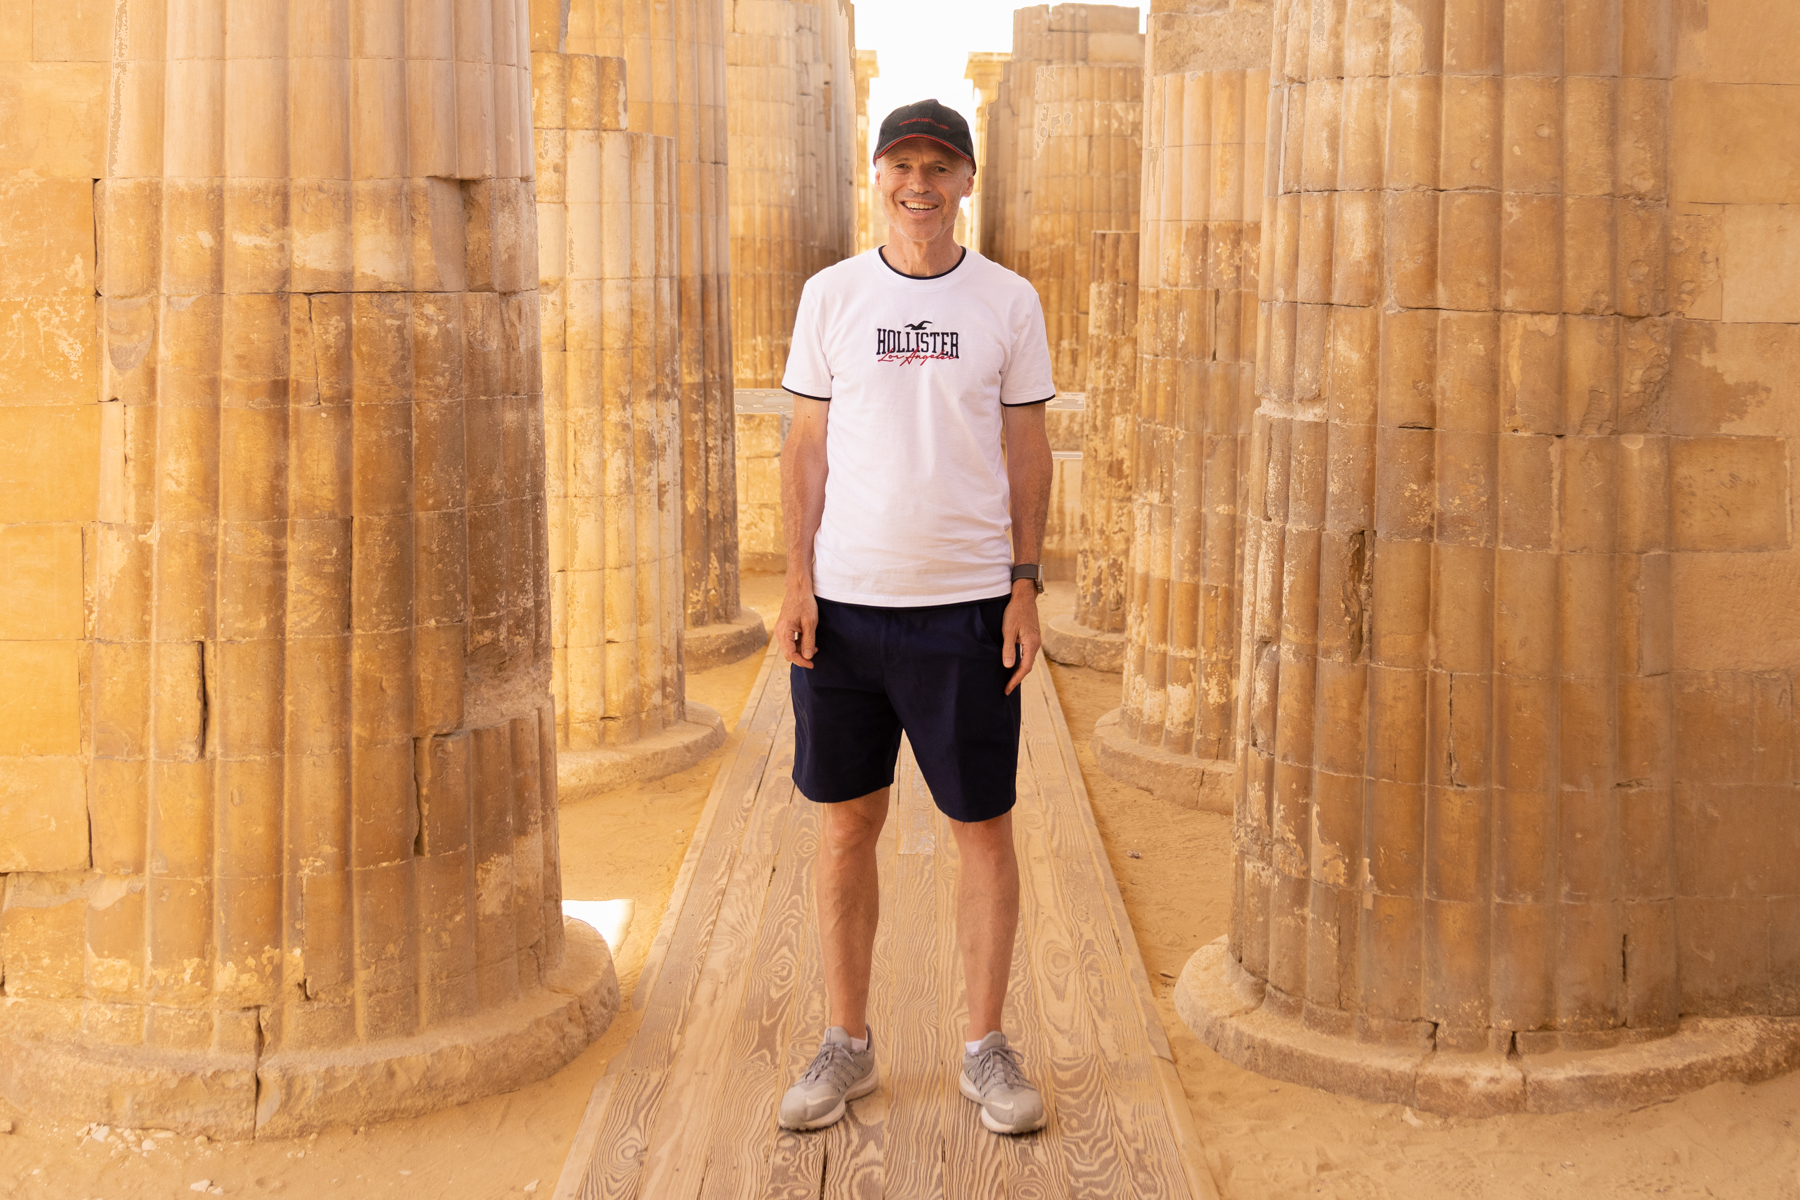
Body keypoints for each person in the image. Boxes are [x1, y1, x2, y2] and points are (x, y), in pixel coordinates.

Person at [771, 98, 1055, 1138]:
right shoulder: (832, 295)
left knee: (981, 828)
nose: (920, 185)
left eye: (940, 166)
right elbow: (807, 447)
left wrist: (1024, 584)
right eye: (903, 165)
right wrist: (796, 581)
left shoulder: (1008, 301)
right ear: (877, 175)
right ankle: (846, 1042)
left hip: (967, 610)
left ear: (967, 180)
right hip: (846, 610)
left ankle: (985, 1049)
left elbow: (1026, 448)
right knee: (848, 826)